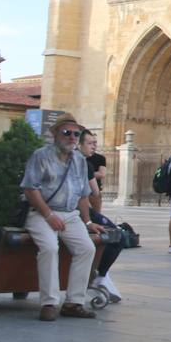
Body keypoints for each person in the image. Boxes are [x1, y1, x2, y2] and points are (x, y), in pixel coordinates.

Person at [20, 115, 100, 321]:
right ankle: (49, 302)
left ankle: (74, 302)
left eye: (76, 133)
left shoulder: (80, 160)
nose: (72, 137)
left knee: (87, 248)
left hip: (70, 214)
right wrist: (48, 215)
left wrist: (88, 221)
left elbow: (83, 195)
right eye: (67, 132)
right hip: (41, 212)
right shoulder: (41, 156)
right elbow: (30, 189)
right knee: (49, 247)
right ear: (55, 134)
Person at [81, 130, 124, 302]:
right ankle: (99, 275)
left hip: (75, 212)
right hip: (81, 212)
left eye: (94, 143)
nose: (93, 146)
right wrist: (88, 221)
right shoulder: (85, 165)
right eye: (90, 143)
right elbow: (94, 191)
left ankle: (98, 276)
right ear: (79, 144)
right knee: (117, 235)